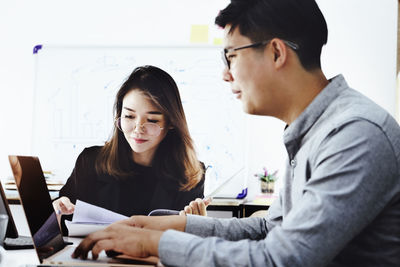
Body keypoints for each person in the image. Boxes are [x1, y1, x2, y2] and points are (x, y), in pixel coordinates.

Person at [72, 0, 400, 266]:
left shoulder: (354, 135)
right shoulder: (313, 131)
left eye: (231, 56)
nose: (226, 75)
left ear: (276, 53)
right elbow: (269, 228)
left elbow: (284, 258)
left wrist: (155, 243)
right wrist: (174, 225)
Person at [52, 65, 205, 226]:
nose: (138, 129)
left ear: (171, 122)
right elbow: (62, 223)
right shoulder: (90, 161)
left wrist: (199, 228)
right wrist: (57, 210)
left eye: (152, 120)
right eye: (129, 116)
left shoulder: (190, 174)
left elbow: (186, 242)